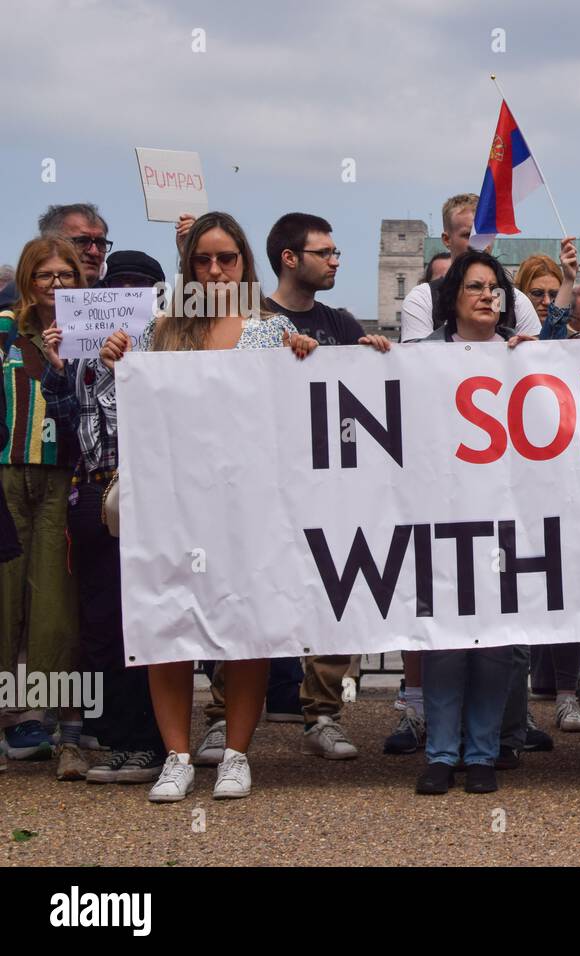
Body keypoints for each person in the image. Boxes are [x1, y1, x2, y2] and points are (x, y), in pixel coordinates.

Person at [97, 212, 324, 803]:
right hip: (172, 506)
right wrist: (113, 359)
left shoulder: (269, 332)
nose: (216, 269)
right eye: (203, 259)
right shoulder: (160, 330)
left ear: (246, 263)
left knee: (243, 627)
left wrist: (306, 356)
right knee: (168, 623)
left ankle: (236, 755)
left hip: (244, 504)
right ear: (189, 266)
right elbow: (116, 409)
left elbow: (303, 412)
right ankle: (176, 755)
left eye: (227, 258)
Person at [262, 211, 392, 760]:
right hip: (266, 483)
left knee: (341, 594)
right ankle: (223, 716)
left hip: (332, 485)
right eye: (326, 253)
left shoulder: (338, 321)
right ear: (291, 258)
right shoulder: (252, 320)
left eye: (337, 252)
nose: (337, 261)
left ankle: (324, 713)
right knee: (251, 590)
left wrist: (375, 357)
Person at [40, 251, 169, 785]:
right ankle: (120, 738)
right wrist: (56, 373)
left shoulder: (171, 344)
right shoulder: (81, 352)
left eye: (141, 289)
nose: (127, 298)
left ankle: (154, 742)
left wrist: (140, 366)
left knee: (153, 621)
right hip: (95, 492)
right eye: (119, 287)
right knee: (103, 623)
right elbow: (67, 427)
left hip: (156, 493)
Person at [412, 249, 535, 796]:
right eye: (476, 287)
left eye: (496, 289)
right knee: (444, 639)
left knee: (497, 642)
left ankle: (483, 752)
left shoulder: (525, 357)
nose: (489, 296)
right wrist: (372, 358)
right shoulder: (417, 358)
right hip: (440, 516)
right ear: (452, 298)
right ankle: (441, 753)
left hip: (505, 518)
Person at [0, 238, 85, 779]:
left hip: (61, 479)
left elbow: (93, 406)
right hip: (6, 477)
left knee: (57, 614)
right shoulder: (4, 326)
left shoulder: (93, 332)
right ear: (27, 279)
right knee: (3, 607)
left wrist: (63, 360)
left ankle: (67, 734)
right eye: (45, 275)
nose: (56, 285)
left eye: (66, 275)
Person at [400, 194, 541, 341]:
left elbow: (536, 358)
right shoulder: (423, 298)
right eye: (469, 235)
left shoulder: (517, 300)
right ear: (447, 239)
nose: (480, 243)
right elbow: (416, 358)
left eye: (485, 234)